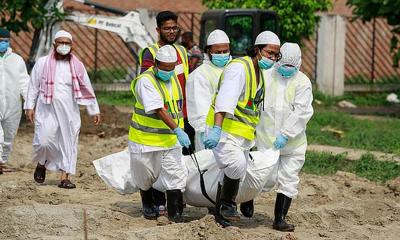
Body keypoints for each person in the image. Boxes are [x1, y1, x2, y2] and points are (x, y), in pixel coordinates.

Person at [202, 31, 281, 227]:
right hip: (223, 130)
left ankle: (221, 215)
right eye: (269, 53)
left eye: (275, 55)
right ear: (257, 49)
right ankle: (227, 206)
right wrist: (216, 130)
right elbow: (224, 102)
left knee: (233, 171)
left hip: (241, 134)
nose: (272, 58)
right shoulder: (239, 69)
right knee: (236, 165)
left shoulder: (258, 73)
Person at [24, 30, 101, 189]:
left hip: (69, 111)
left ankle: (65, 177)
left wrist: (94, 110)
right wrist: (30, 106)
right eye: (61, 42)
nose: (64, 46)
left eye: (67, 43)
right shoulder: (42, 62)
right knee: (44, 141)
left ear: (72, 46)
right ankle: (42, 163)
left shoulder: (77, 66)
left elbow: (87, 87)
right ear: (54, 44)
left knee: (69, 142)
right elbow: (33, 86)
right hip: (47, 109)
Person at [138, 10, 193, 215]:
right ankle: (154, 201)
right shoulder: (150, 53)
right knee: (154, 163)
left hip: (180, 115)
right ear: (158, 29)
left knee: (176, 163)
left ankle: (173, 200)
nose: (171, 32)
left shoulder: (182, 52)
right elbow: (148, 85)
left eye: (174, 28)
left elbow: (185, 82)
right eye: (167, 28)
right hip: (157, 117)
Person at [129, 45, 190, 223]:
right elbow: (158, 109)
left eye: (171, 68)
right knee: (145, 177)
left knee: (175, 175)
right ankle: (148, 204)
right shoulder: (145, 81)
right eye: (164, 67)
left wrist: (180, 130)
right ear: (155, 64)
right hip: (146, 140)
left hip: (170, 141)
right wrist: (178, 129)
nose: (168, 71)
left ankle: (175, 214)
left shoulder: (174, 79)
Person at [256, 42, 314, 232]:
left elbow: (302, 113)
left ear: (298, 64)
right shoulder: (266, 75)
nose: (287, 70)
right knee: (266, 178)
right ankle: (247, 199)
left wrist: (286, 135)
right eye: (284, 65)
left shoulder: (303, 82)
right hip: (267, 141)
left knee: (289, 178)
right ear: (278, 60)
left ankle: (280, 218)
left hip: (293, 143)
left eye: (291, 67)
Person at [186, 29, 230, 152]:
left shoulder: (234, 69)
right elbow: (200, 110)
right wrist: (208, 133)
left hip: (233, 133)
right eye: (218, 52)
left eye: (225, 51)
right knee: (210, 169)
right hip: (209, 134)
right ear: (208, 51)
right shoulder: (199, 75)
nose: (222, 55)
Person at [0, 28, 29, 174]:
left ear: (9, 41)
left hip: (13, 106)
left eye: (4, 41)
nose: (2, 44)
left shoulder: (17, 60)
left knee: (8, 136)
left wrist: (28, 100)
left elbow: (24, 81)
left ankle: (2, 162)